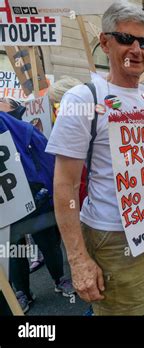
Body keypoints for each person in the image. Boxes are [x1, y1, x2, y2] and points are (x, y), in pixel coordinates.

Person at [46, 2, 144, 315]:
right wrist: (78, 259)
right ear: (105, 42)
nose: (137, 49)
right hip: (113, 234)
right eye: (126, 39)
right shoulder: (83, 97)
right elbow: (65, 184)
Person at [0, 98, 75, 314]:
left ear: (14, 110)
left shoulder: (26, 130)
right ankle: (22, 291)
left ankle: (59, 279)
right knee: (15, 251)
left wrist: (53, 194)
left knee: (49, 243)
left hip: (36, 200)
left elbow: (48, 162)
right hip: (8, 207)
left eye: (4, 100)